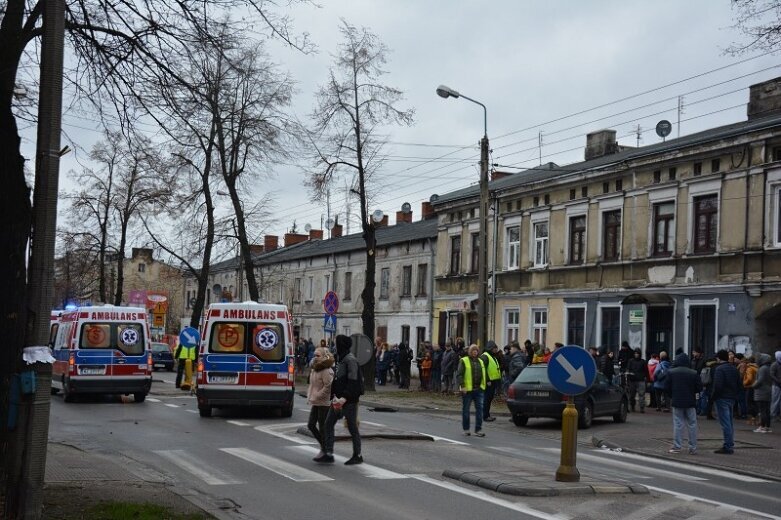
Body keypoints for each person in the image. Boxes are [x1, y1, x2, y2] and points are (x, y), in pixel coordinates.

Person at [318, 335, 363, 465]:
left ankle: (358, 455)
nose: (335, 347)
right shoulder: (339, 359)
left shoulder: (351, 360)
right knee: (328, 424)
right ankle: (328, 453)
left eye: (337, 344)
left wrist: (344, 398)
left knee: (352, 427)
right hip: (337, 399)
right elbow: (337, 379)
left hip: (349, 401)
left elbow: (353, 381)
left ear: (342, 345)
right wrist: (333, 396)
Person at [663, 351, 702, 455]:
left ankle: (677, 446)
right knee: (692, 424)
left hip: (677, 401)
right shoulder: (693, 373)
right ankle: (692, 448)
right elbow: (699, 387)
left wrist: (672, 396)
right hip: (690, 402)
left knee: (678, 424)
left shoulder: (671, 372)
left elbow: (666, 387)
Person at [307, 347, 334, 460]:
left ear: (324, 356)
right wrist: (310, 395)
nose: (315, 357)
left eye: (317, 355)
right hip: (316, 401)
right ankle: (324, 448)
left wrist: (317, 395)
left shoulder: (326, 370)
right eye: (314, 355)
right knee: (311, 425)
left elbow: (328, 387)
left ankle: (326, 451)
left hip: (324, 403)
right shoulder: (315, 368)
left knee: (323, 428)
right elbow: (312, 384)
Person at [712, 349, 740, 454]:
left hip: (722, 398)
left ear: (719, 358)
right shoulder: (734, 368)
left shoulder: (719, 369)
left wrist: (714, 396)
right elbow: (739, 384)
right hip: (731, 398)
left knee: (725, 423)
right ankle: (730, 443)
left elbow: (718, 385)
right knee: (729, 422)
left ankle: (728, 446)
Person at [457, 344, 486, 437]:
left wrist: (484, 385)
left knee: (480, 410)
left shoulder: (481, 362)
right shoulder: (464, 361)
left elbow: (484, 374)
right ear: (470, 352)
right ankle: (466, 429)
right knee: (466, 410)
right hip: (468, 390)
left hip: (479, 389)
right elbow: (460, 374)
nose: (475, 352)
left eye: (476, 351)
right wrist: (463, 386)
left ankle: (478, 429)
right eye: (473, 350)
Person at [480, 341, 503, 422]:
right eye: (494, 348)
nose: (496, 349)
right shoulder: (485, 356)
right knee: (487, 398)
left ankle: (487, 414)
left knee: (489, 398)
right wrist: (487, 380)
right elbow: (483, 369)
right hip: (489, 382)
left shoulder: (492, 356)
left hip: (493, 381)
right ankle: (485, 416)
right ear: (490, 348)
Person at [752, 353, 774, 433]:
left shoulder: (762, 368)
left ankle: (762, 426)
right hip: (768, 390)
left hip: (761, 391)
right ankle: (767, 427)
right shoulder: (769, 367)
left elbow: (760, 380)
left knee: (762, 410)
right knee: (767, 410)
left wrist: (753, 385)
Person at [626, 348, 648, 413]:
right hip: (632, 380)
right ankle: (632, 406)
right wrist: (628, 377)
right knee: (632, 395)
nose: (636, 355)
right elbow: (628, 369)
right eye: (635, 353)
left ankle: (642, 407)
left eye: (637, 353)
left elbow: (646, 371)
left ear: (640, 354)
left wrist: (647, 378)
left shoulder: (643, 362)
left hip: (640, 380)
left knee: (641, 394)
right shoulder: (631, 361)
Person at [771, 350, 781, 423]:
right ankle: (773, 415)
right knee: (775, 401)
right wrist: (778, 381)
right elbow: (772, 374)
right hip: (776, 385)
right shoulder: (774, 364)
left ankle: (778, 415)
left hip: (778, 384)